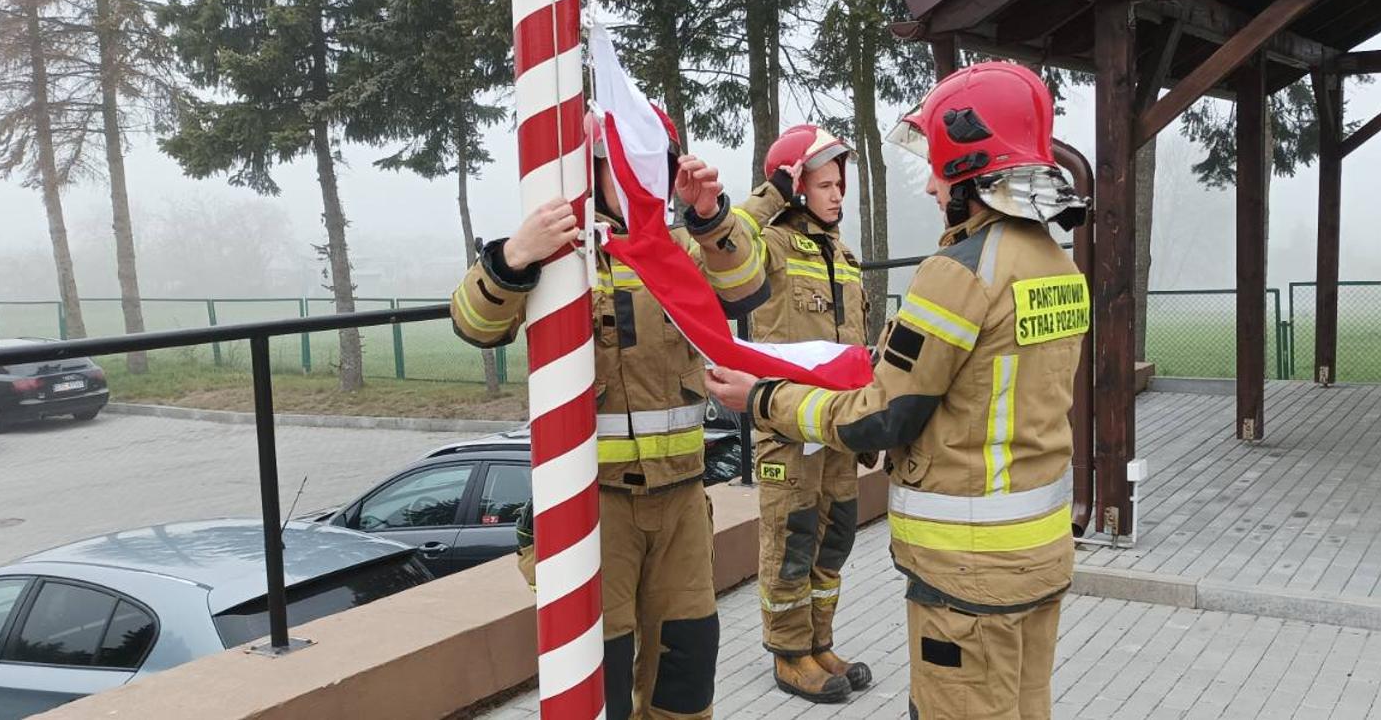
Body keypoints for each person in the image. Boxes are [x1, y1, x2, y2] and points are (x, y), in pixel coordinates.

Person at [706, 62, 1091, 720]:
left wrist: (764, 400)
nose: (931, 186)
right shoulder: (1057, 264)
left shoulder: (961, 273)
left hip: (967, 574)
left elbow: (883, 417)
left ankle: (808, 642)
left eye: (939, 169)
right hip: (1038, 558)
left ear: (973, 171)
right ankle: (795, 645)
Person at [452, 120, 765, 720]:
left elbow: (747, 286)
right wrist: (516, 254)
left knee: (687, 670)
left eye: (656, 164)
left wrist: (710, 215)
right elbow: (473, 323)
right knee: (600, 678)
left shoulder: (682, 250)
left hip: (681, 503)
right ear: (593, 173)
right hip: (595, 510)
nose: (645, 179)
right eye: (627, 165)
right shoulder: (560, 257)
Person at [729, 125, 872, 703]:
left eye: (841, 184)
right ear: (795, 185)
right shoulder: (771, 245)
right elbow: (726, 245)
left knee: (832, 538)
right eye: (825, 184)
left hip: (833, 426)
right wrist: (771, 193)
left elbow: (855, 348)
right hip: (785, 428)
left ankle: (819, 641)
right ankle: (789, 654)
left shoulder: (842, 252)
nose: (839, 195)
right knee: (790, 540)